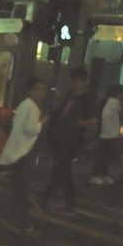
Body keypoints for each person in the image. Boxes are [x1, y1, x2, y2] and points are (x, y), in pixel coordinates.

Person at [40, 66, 96, 214]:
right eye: (74, 80)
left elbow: (94, 119)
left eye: (79, 81)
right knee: (62, 170)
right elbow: (57, 111)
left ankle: (47, 199)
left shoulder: (87, 98)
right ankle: (68, 202)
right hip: (60, 136)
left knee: (60, 168)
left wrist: (82, 123)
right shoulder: (68, 95)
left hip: (73, 139)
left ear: (84, 82)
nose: (76, 83)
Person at [0, 79, 47, 231]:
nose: (40, 93)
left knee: (17, 187)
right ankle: (21, 221)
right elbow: (31, 129)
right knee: (22, 189)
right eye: (37, 89)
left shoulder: (24, 104)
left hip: (17, 151)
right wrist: (42, 123)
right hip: (24, 152)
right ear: (30, 91)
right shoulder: (32, 108)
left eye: (42, 90)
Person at [89, 84, 123, 184]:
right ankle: (96, 174)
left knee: (105, 154)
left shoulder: (105, 101)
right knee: (103, 154)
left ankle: (103, 174)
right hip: (106, 132)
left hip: (108, 132)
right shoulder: (113, 102)